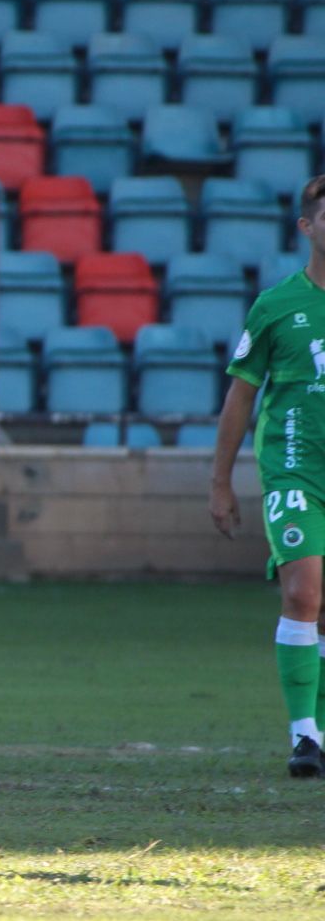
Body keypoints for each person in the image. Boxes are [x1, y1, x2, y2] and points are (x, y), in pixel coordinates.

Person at [212, 174, 325, 778]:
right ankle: (304, 737)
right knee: (304, 593)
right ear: (307, 228)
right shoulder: (278, 305)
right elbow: (241, 397)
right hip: (294, 473)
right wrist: (220, 481)